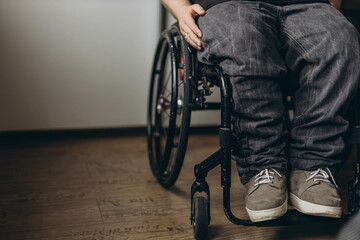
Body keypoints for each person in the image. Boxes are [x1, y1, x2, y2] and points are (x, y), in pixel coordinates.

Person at [161, 0, 360, 222]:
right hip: (227, 4)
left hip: (305, 4)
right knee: (242, 39)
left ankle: (313, 166)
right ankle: (263, 168)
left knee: (340, 39)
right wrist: (180, 10)